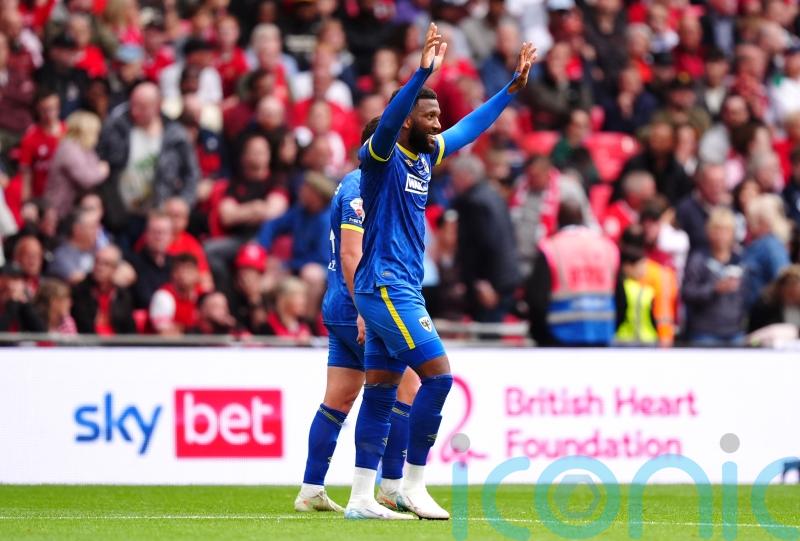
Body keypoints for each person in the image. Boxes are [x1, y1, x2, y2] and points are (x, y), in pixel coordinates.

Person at [346, 25, 536, 520]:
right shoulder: (380, 157)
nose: (438, 121)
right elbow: (388, 121)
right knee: (439, 377)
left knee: (384, 390)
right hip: (385, 284)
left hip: (402, 285)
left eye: (437, 114)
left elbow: (470, 127)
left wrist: (509, 92)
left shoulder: (428, 155)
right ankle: (412, 484)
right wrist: (422, 73)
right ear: (406, 117)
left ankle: (362, 498)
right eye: (428, 114)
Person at [296, 118, 419, 513]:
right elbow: (352, 254)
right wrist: (366, 308)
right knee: (408, 387)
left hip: (339, 303)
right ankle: (390, 486)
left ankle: (311, 488)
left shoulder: (352, 184)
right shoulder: (359, 188)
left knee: (339, 398)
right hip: (359, 304)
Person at [527, 200, 622, 346]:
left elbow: (537, 299)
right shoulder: (608, 247)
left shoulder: (551, 248)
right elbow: (621, 297)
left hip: (558, 337)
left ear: (557, 219)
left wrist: (541, 336)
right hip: (601, 334)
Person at [450, 154, 520, 323]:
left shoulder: (474, 202)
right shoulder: (493, 195)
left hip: (490, 284)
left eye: (455, 177)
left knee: (488, 340)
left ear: (465, 176)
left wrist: (480, 282)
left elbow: (482, 244)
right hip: (504, 278)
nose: (452, 183)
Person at [682, 207, 747, 345]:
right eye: (717, 229)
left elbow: (747, 294)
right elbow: (687, 292)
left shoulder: (740, 260)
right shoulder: (698, 259)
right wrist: (714, 289)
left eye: (726, 230)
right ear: (709, 231)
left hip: (735, 330)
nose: (721, 235)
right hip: (705, 332)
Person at [45, 111, 109, 221]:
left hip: (73, 209)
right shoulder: (69, 149)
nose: (98, 136)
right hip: (60, 211)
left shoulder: (85, 148)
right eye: (95, 132)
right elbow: (86, 179)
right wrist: (101, 172)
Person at [71, 244, 136, 335]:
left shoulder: (123, 295)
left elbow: (130, 331)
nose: (99, 267)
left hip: (118, 346)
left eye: (106, 264)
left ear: (115, 269)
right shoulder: (80, 291)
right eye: (97, 262)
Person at [742, 194, 792, 308]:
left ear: (764, 221)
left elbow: (781, 280)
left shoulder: (772, 246)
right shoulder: (757, 244)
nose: (748, 224)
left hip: (765, 312)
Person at [149, 253, 202, 335]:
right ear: (173, 274)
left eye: (189, 269)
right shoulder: (163, 297)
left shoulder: (202, 297)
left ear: (197, 274)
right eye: (181, 270)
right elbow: (164, 334)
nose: (185, 274)